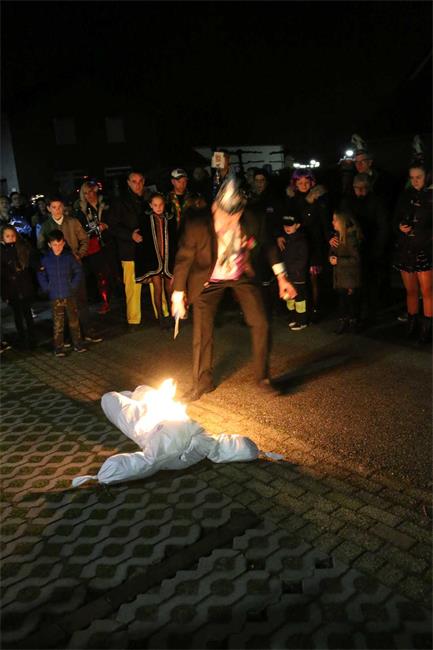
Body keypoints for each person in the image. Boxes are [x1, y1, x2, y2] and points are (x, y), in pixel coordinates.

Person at [171, 179, 296, 402]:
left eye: (234, 217)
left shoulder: (253, 219)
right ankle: (202, 382)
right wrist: (178, 294)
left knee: (261, 322)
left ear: (240, 213)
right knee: (202, 331)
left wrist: (282, 277)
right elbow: (183, 259)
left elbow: (268, 246)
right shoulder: (196, 225)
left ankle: (263, 379)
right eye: (224, 216)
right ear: (214, 208)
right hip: (209, 280)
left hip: (241, 275)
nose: (228, 223)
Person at [38, 195, 103, 343]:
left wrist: (79, 255)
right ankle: (68, 336)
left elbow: (84, 239)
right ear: (48, 209)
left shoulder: (73, 222)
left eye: (59, 207)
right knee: (62, 304)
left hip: (74, 267)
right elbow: (41, 246)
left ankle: (87, 331)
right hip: (57, 271)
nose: (57, 210)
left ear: (64, 207)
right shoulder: (45, 226)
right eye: (54, 207)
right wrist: (50, 260)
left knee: (81, 300)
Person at [340, 173, 390, 323]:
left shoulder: (376, 202)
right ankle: (354, 313)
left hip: (371, 247)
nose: (360, 191)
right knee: (354, 283)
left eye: (363, 188)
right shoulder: (348, 201)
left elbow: (383, 227)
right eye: (357, 188)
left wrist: (378, 249)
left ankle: (370, 312)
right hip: (353, 248)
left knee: (370, 283)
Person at [284, 170, 332, 320]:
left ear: (312, 182)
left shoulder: (319, 199)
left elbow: (325, 221)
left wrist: (329, 237)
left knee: (313, 278)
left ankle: (316, 308)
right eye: (300, 183)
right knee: (299, 278)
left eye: (306, 182)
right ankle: (301, 310)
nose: (303, 186)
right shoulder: (292, 199)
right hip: (297, 243)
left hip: (314, 243)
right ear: (295, 184)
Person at [392, 163, 432, 344]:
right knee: (410, 290)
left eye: (419, 177)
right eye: (412, 178)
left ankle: (427, 328)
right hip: (406, 248)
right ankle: (412, 323)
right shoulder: (405, 196)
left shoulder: (431, 196)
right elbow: (395, 218)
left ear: (426, 177)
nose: (415, 181)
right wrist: (400, 226)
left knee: (427, 290)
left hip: (425, 248)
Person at [107, 171, 148, 327]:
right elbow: (113, 226)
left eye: (140, 181)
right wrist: (130, 235)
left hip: (149, 250)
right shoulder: (119, 202)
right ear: (128, 183)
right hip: (129, 251)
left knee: (155, 283)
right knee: (132, 287)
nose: (138, 185)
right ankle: (133, 319)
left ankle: (162, 313)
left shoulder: (149, 199)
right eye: (134, 181)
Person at [37, 230, 87, 356]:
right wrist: (47, 287)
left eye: (60, 244)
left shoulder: (69, 258)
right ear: (49, 245)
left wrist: (73, 286)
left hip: (69, 294)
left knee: (74, 321)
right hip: (55, 296)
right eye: (55, 245)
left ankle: (78, 344)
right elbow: (41, 275)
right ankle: (58, 347)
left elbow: (78, 271)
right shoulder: (46, 260)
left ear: (64, 243)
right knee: (58, 323)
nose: (58, 247)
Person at [134, 192, 178, 329]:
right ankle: (160, 317)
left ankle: (171, 315)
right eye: (155, 205)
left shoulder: (170, 218)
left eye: (160, 205)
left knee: (169, 288)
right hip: (154, 259)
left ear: (164, 205)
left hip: (168, 258)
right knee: (157, 289)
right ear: (150, 205)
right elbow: (143, 240)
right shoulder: (146, 219)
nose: (158, 208)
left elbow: (174, 238)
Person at [73, 180, 112, 314]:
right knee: (99, 275)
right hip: (94, 246)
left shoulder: (106, 204)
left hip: (109, 243)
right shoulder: (81, 211)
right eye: (85, 193)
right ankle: (105, 301)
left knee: (112, 273)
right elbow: (80, 230)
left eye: (90, 191)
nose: (89, 195)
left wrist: (106, 225)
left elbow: (114, 220)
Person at [0, 225, 38, 349]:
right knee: (17, 315)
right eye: (7, 236)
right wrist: (5, 294)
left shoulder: (22, 248)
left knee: (27, 314)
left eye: (12, 235)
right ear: (2, 237)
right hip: (11, 289)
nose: (11, 238)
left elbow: (30, 265)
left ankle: (32, 338)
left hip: (24, 287)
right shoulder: (2, 252)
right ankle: (22, 338)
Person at [329, 211, 363, 334]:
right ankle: (344, 321)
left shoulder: (351, 239)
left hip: (350, 277)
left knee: (350, 302)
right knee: (342, 301)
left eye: (335, 220)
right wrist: (331, 256)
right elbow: (333, 252)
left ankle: (353, 322)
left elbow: (356, 259)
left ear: (342, 222)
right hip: (341, 276)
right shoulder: (337, 237)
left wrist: (338, 261)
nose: (332, 222)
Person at [280, 215, 309, 331]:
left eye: (290, 225)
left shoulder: (301, 240)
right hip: (289, 275)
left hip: (298, 275)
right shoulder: (286, 239)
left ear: (297, 225)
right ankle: (294, 318)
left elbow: (303, 260)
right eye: (285, 225)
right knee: (290, 299)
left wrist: (292, 270)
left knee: (299, 299)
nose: (287, 227)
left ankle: (302, 321)